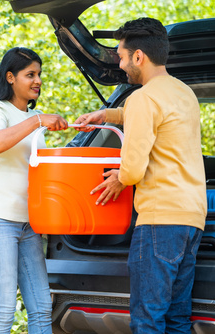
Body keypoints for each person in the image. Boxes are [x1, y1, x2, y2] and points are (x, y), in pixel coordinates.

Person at [74, 18, 207, 334]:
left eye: (121, 56)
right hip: (191, 220)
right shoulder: (182, 92)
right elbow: (151, 114)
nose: (120, 64)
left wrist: (119, 177)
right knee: (177, 319)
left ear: (138, 57)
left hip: (160, 221)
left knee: (148, 320)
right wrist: (109, 114)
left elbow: (132, 169)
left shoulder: (144, 99)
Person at [0, 47, 68, 333]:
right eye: (30, 74)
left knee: (41, 308)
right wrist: (38, 121)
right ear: (11, 77)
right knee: (4, 311)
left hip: (29, 223)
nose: (37, 80)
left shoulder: (35, 116)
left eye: (39, 74)